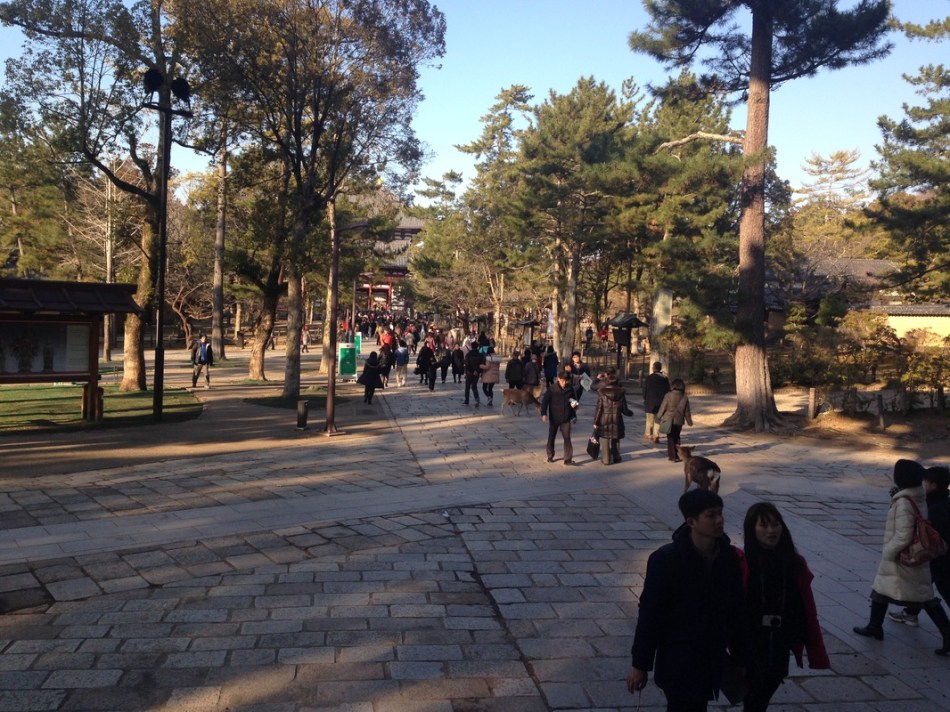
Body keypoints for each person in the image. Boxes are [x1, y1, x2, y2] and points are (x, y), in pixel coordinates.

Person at [627, 489, 750, 711]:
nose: (719, 520)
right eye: (711, 515)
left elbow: (736, 611)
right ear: (691, 521)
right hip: (678, 658)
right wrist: (640, 664)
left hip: (712, 657)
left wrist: (740, 657)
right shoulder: (666, 560)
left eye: (720, 513)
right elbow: (651, 615)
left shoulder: (729, 558)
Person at [737, 503, 830, 711]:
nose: (771, 530)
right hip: (751, 641)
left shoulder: (794, 562)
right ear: (752, 529)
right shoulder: (743, 561)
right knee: (754, 694)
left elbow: (807, 609)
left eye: (775, 524)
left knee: (767, 687)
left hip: (781, 640)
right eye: (764, 525)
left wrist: (811, 645)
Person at [853, 459, 950, 655]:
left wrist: (889, 552)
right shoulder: (917, 497)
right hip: (909, 558)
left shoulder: (905, 502)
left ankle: (948, 634)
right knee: (881, 590)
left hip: (903, 558)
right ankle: (874, 625)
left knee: (924, 598)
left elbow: (903, 535)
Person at [890, 465, 950, 630]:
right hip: (939, 556)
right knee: (921, 586)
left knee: (940, 588)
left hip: (938, 556)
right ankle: (911, 613)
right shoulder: (941, 500)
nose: (923, 485)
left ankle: (942, 630)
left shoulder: (935, 507)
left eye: (926, 482)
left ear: (933, 485)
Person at [592, 370, 633, 465]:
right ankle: (616, 457)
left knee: (605, 438)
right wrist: (630, 413)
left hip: (604, 420)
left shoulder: (602, 393)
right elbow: (624, 409)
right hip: (617, 419)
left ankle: (606, 459)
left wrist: (595, 422)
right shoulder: (621, 393)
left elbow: (599, 409)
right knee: (616, 437)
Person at [540, 369, 578, 465]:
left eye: (566, 381)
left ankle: (568, 459)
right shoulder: (552, 389)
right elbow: (545, 402)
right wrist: (544, 413)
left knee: (567, 438)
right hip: (554, 417)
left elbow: (574, 401)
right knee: (552, 436)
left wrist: (575, 406)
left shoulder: (570, 389)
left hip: (566, 417)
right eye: (562, 380)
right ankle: (550, 455)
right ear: (558, 379)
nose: (564, 383)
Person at [656, 378, 691, 462]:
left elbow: (663, 407)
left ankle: (672, 456)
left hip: (668, 419)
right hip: (679, 420)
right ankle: (678, 454)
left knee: (670, 438)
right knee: (677, 437)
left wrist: (658, 417)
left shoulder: (668, 395)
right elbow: (687, 411)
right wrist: (689, 421)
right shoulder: (684, 397)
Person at [643, 362, 671, 443]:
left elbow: (645, 390)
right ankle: (656, 435)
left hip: (650, 402)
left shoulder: (649, 378)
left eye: (653, 367)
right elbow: (668, 391)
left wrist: (645, 398)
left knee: (649, 419)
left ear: (654, 368)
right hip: (661, 402)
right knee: (658, 419)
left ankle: (648, 434)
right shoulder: (665, 379)